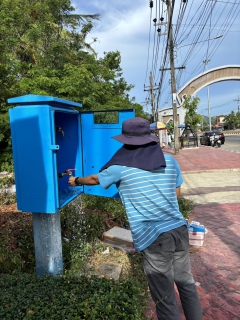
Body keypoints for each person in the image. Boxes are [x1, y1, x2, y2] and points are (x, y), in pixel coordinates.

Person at [68, 117, 202, 320]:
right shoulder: (170, 161)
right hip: (179, 229)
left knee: (164, 298)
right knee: (186, 283)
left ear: (126, 141)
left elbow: (95, 179)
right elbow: (176, 193)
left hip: (155, 237)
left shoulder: (120, 167)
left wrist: (76, 180)